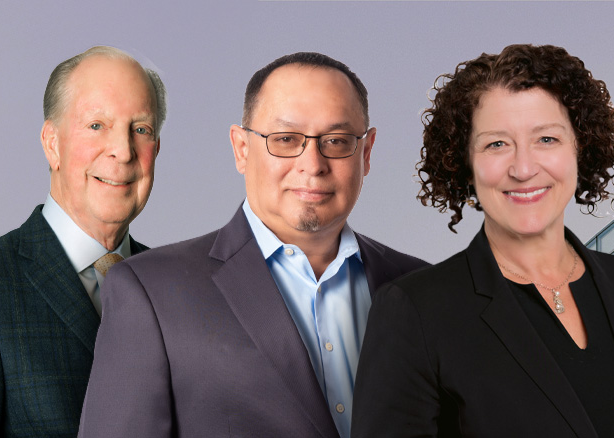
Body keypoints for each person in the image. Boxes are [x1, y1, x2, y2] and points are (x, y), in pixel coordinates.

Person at [78, 52, 427, 438]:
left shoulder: (422, 288)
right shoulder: (150, 292)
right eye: (286, 139)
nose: (312, 164)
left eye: (336, 141)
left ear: (367, 151)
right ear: (242, 149)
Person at [352, 44, 614, 437]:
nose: (524, 168)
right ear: (465, 161)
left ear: (580, 146)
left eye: (546, 139)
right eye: (497, 144)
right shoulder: (417, 311)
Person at [0, 46, 166, 438]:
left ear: (156, 148)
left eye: (140, 129)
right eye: (96, 126)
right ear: (52, 143)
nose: (122, 151)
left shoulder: (175, 291)